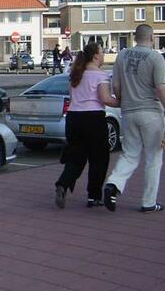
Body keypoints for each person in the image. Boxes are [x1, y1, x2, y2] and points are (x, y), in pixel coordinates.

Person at [104, 24, 165, 213]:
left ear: (135, 37)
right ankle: (148, 202)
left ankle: (113, 184)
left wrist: (123, 100)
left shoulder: (122, 55)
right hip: (151, 112)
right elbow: (161, 88)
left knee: (130, 154)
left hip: (129, 112)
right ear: (151, 37)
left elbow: (116, 85)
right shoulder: (155, 57)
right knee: (153, 158)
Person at [55, 43, 119, 209]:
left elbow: (71, 96)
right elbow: (105, 99)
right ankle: (94, 196)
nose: (103, 55)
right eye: (102, 52)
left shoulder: (76, 73)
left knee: (76, 156)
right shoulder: (101, 75)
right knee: (99, 158)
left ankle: (62, 184)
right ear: (96, 56)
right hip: (93, 118)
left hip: (73, 118)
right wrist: (122, 102)